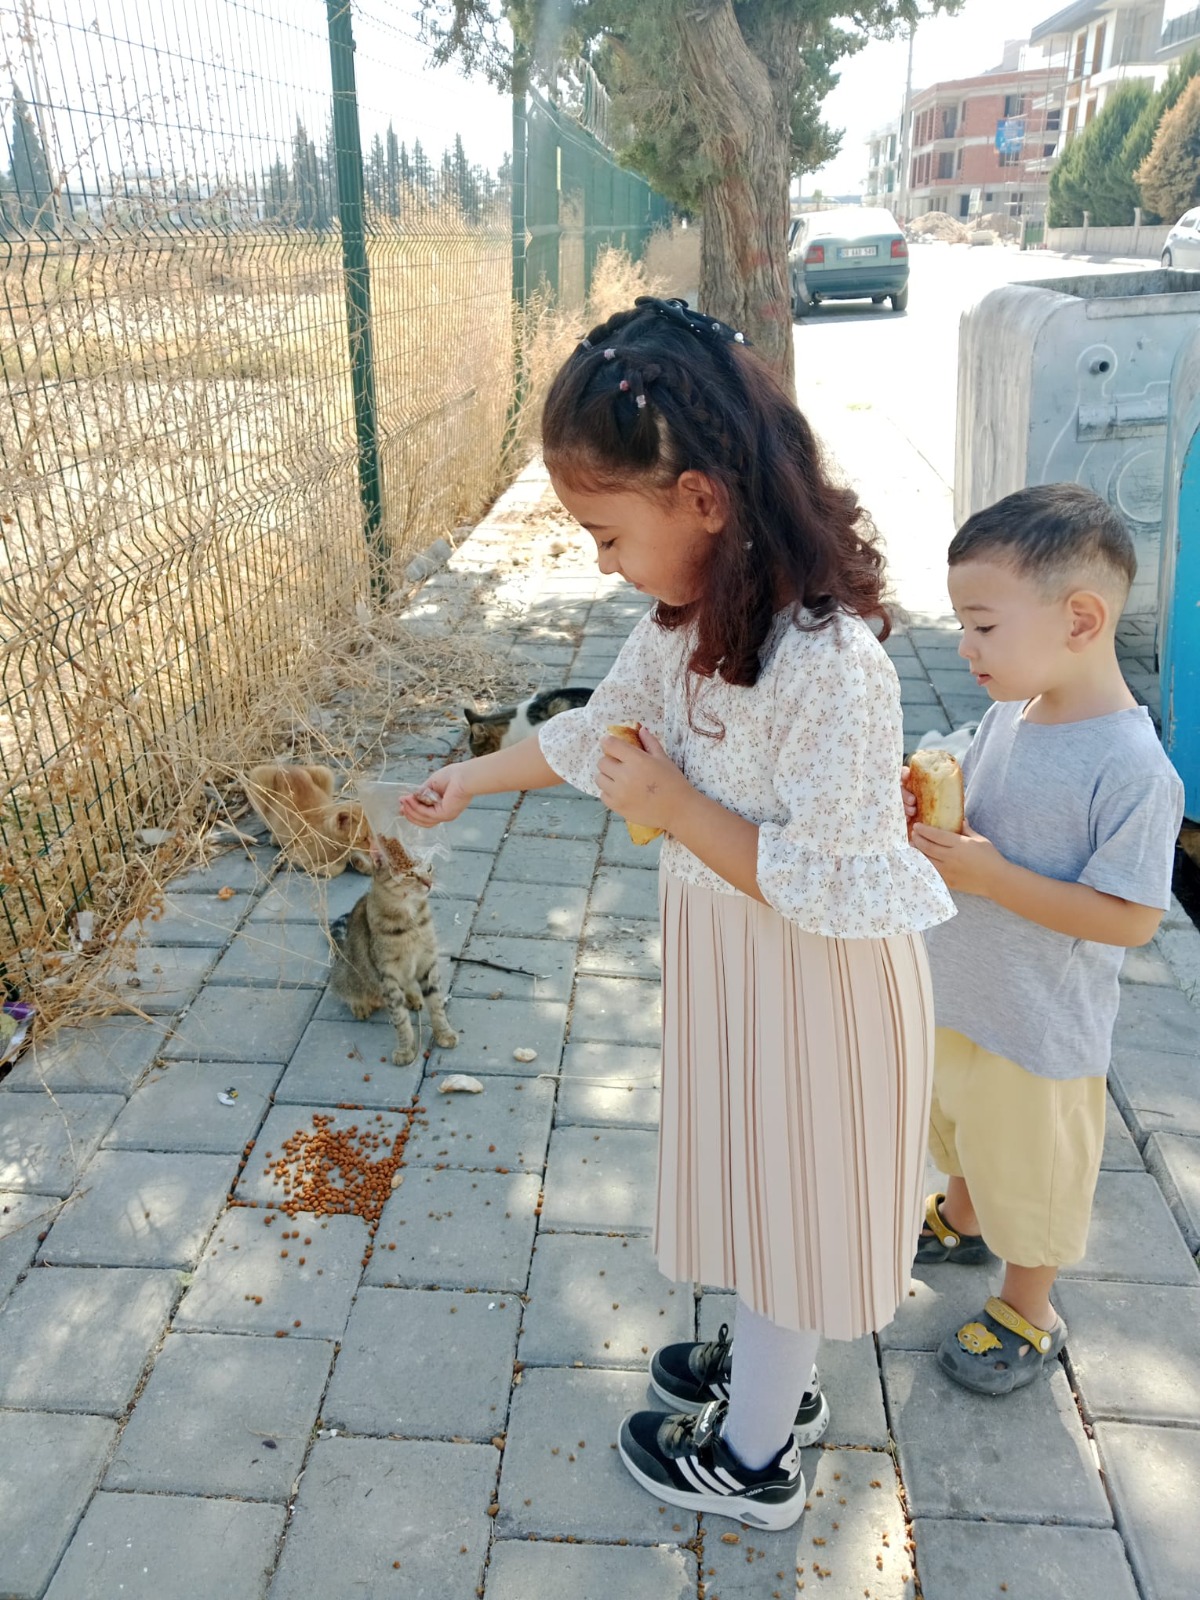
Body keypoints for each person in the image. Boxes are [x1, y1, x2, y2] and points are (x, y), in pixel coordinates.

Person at [401, 297, 953, 1530]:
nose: (601, 562)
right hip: (745, 969)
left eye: (605, 532)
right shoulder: (687, 624)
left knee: (793, 1212)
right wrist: (473, 779)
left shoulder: (834, 665)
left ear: (702, 498)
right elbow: (600, 735)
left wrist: (673, 804)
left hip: (818, 982)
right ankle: (777, 1371)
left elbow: (826, 877)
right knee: (768, 1193)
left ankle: (754, 1461)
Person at [907, 483, 1184, 1396]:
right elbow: (971, 798)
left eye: (983, 625)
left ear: (1081, 619)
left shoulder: (1133, 769)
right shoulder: (1010, 714)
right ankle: (961, 1214)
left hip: (1041, 1031)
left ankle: (1031, 1306)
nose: (964, 645)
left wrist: (991, 876)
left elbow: (1132, 918)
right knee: (961, 1127)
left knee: (1032, 1170)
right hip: (968, 993)